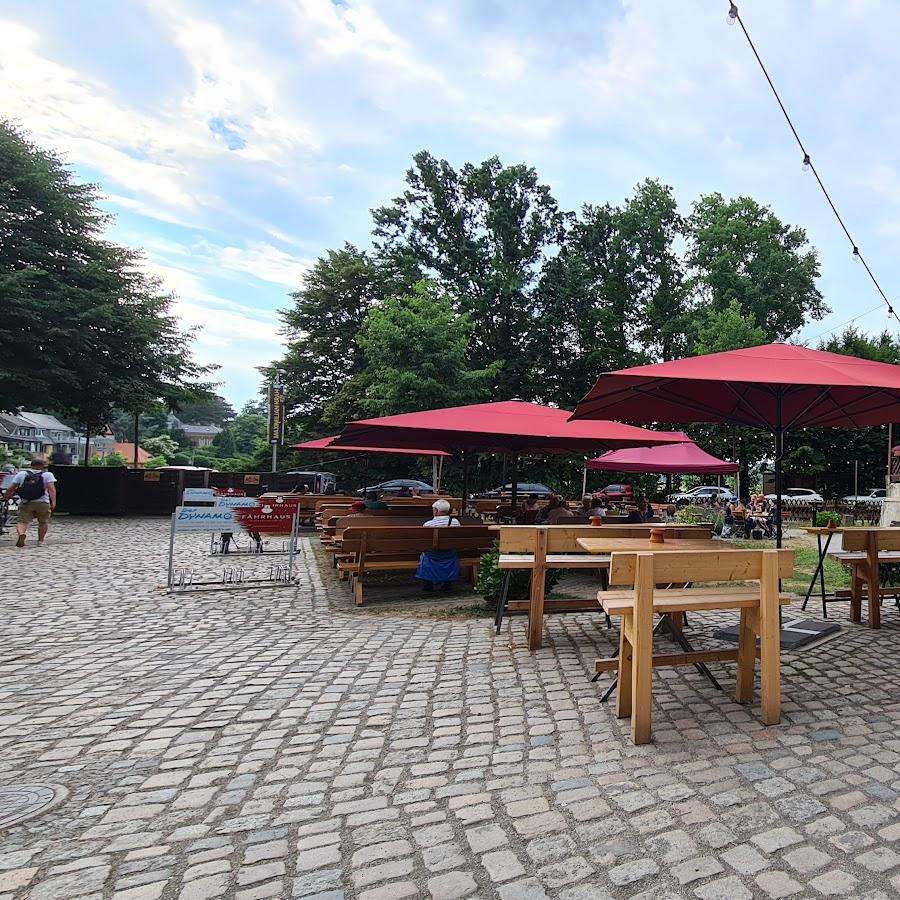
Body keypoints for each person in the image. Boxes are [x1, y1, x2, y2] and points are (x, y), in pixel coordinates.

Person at [4, 454, 57, 547]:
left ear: (31, 465)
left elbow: (12, 487)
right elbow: (51, 489)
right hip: (43, 502)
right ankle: (40, 541)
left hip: (26, 502)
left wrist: (6, 495)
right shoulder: (47, 475)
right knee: (43, 522)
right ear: (42, 466)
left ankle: (21, 534)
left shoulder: (22, 474)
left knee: (22, 521)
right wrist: (54, 502)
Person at [416, 499, 461, 592]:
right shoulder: (455, 522)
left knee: (425, 555)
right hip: (450, 553)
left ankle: (428, 584)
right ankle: (447, 584)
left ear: (436, 510)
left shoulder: (428, 524)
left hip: (433, 554)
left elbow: (423, 544)